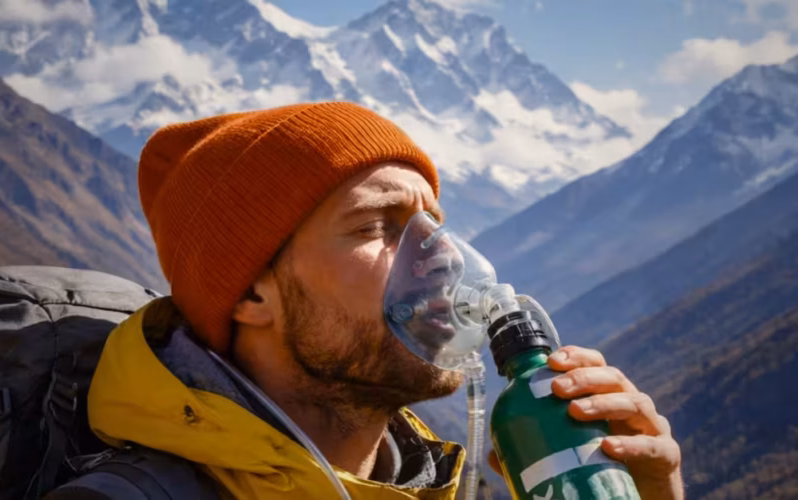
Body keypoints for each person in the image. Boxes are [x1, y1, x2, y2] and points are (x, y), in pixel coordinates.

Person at [45, 102, 683, 499]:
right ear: (253, 292)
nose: (443, 256)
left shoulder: (419, 483)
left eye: (434, 223)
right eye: (379, 225)